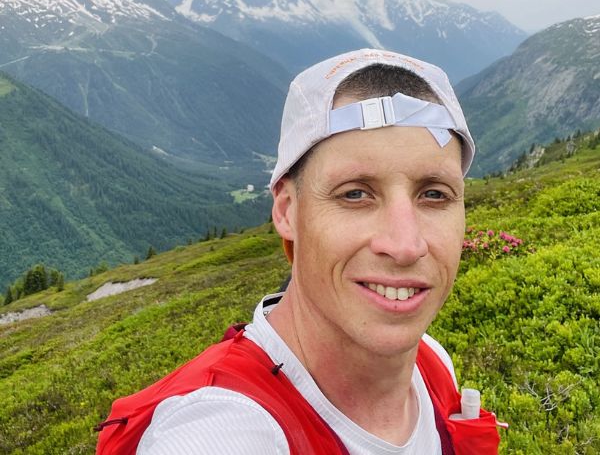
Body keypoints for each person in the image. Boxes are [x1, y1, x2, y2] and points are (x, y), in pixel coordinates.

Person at [96, 48, 502, 454]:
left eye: (435, 194)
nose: (405, 246)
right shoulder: (219, 430)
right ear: (287, 210)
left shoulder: (431, 363)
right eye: (354, 194)